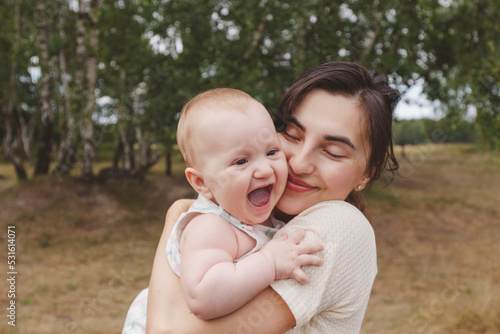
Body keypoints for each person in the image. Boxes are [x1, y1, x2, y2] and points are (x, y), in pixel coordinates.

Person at [140, 61, 401, 333]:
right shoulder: (246, 221)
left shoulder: (339, 227)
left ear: (367, 174)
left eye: (333, 151)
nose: (298, 164)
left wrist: (175, 215)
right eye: (291, 134)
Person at [123, 89, 324, 332]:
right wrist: (270, 262)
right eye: (241, 161)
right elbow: (203, 297)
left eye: (271, 152)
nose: (264, 170)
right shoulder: (209, 226)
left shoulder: (251, 213)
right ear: (202, 183)